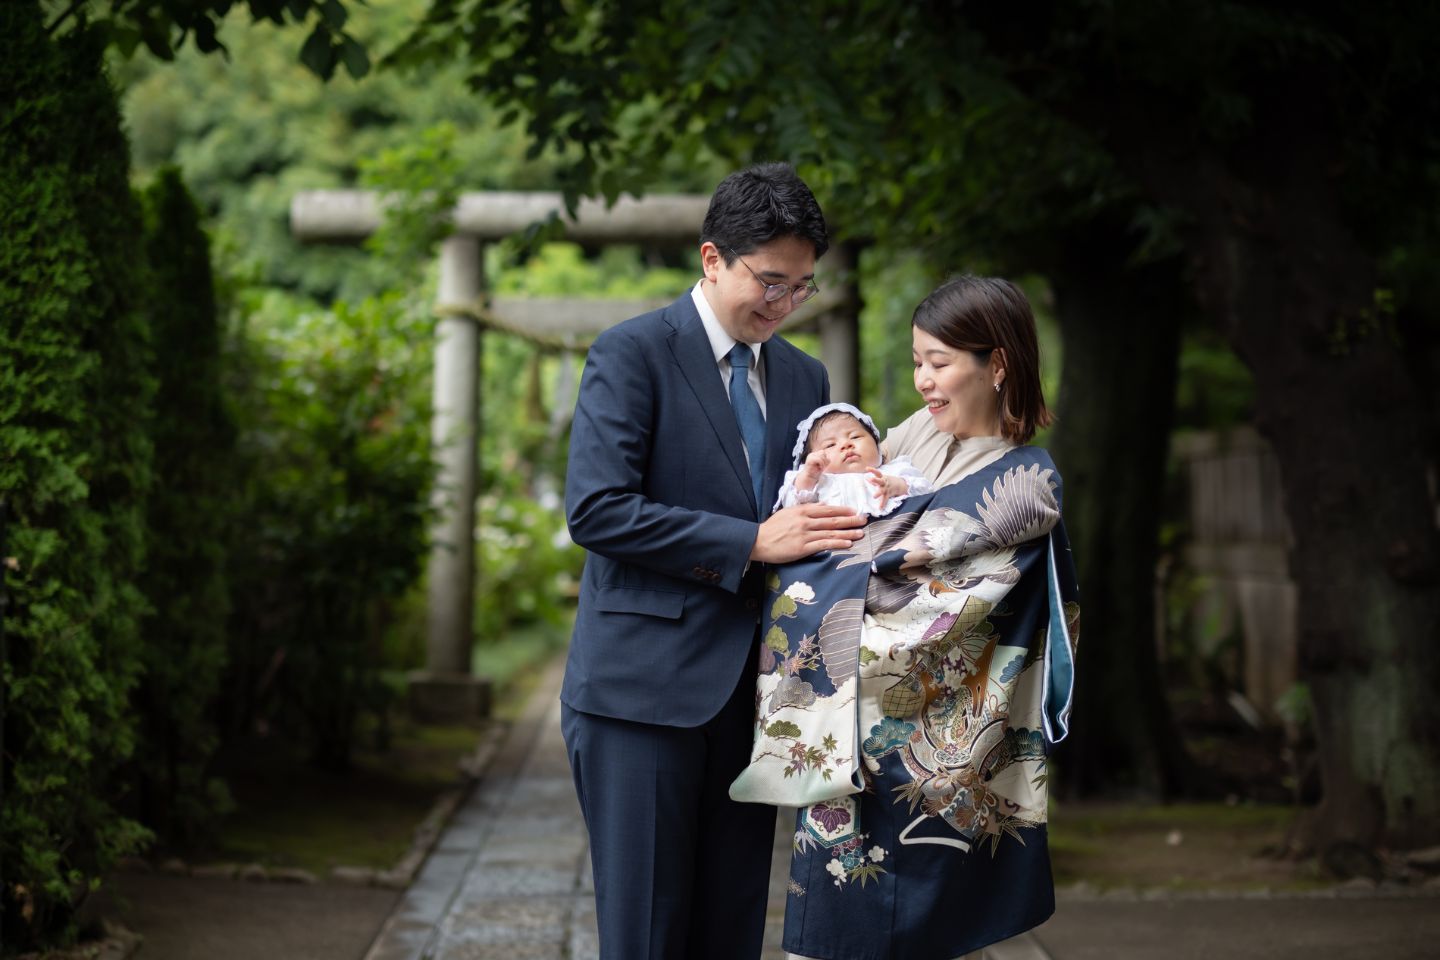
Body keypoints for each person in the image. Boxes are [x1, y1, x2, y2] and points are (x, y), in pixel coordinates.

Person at [561, 162, 866, 960]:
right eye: (769, 282)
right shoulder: (631, 354)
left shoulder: (805, 376)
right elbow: (596, 510)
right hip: (639, 696)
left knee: (730, 935)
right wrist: (749, 544)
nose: (783, 304)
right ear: (711, 259)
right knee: (647, 936)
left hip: (757, 702)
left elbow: (814, 519)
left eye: (800, 288)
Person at [741, 276, 1080, 960]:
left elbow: (932, 606)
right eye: (918, 361)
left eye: (940, 362)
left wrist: (831, 579)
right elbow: (845, 516)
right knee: (833, 928)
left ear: (999, 364)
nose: (923, 381)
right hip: (855, 741)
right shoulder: (917, 436)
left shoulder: (1025, 484)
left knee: (935, 932)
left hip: (937, 744)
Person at [772, 402, 933, 517]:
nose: (846, 445)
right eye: (830, 445)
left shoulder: (892, 471)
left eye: (855, 436)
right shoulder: (820, 481)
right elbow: (792, 507)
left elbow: (925, 491)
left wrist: (896, 486)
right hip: (835, 554)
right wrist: (808, 476)